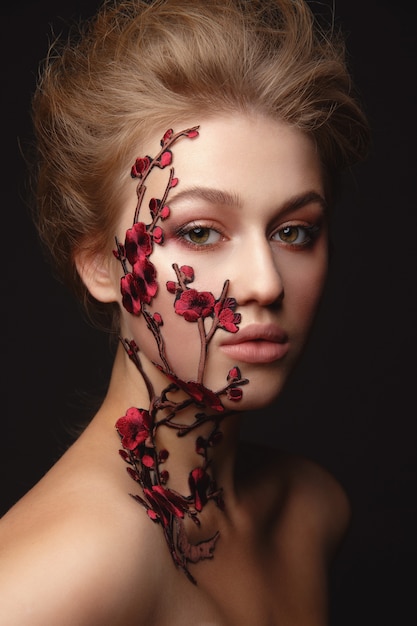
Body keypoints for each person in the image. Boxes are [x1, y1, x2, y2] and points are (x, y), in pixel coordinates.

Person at [0, 0, 370, 624]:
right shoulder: (63, 569)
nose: (264, 282)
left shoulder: (310, 510)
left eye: (293, 232)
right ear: (101, 264)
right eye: (200, 232)